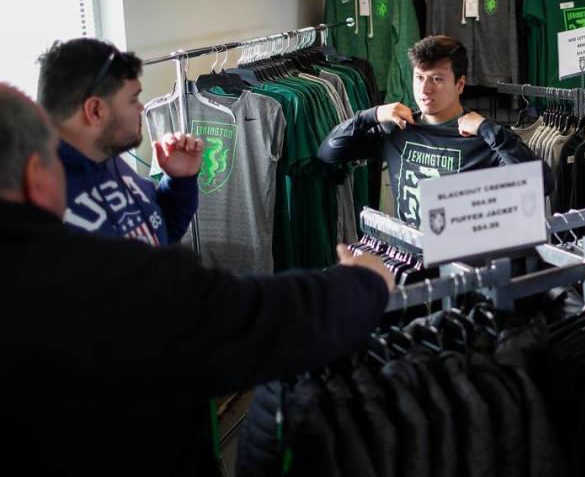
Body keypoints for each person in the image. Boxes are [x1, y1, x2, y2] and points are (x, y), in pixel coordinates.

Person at [0, 83, 395, 475]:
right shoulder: (107, 275)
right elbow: (257, 320)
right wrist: (363, 283)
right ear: (37, 173)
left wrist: (181, 183)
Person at [318, 35, 551, 227]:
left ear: (459, 84)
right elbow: (329, 153)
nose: (425, 89)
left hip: (464, 266)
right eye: (419, 77)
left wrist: (488, 129)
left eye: (437, 79)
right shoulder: (397, 130)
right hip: (410, 260)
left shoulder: (485, 138)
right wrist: (372, 115)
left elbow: (543, 184)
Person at [37, 37, 203, 245]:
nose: (141, 108)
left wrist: (179, 181)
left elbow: (159, 235)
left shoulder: (105, 157)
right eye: (133, 99)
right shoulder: (39, 204)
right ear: (96, 111)